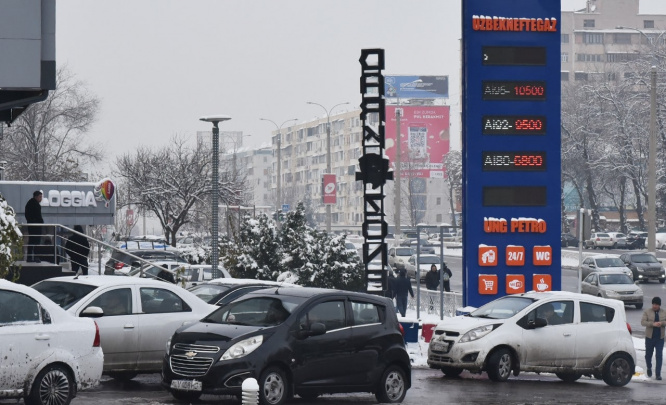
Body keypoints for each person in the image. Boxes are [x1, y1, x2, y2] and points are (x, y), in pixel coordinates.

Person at [642, 296, 666, 379]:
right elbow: (643, 322)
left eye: (656, 304)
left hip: (660, 338)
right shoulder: (647, 312)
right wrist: (652, 324)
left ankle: (658, 374)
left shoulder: (664, 312)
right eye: (653, 304)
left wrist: (662, 323)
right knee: (648, 355)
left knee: (659, 355)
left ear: (659, 305)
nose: (654, 306)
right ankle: (649, 367)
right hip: (649, 337)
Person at [24, 190, 44, 263]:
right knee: (36, 241)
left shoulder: (30, 203)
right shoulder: (34, 204)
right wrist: (40, 221)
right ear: (36, 197)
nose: (41, 198)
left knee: (32, 241)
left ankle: (30, 257)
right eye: (40, 197)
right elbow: (37, 215)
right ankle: (35, 257)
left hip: (32, 225)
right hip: (35, 226)